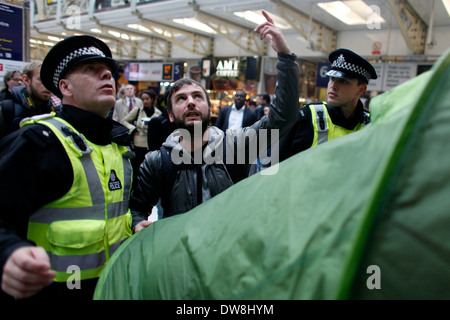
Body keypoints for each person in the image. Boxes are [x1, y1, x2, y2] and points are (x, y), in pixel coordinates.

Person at [130, 10, 299, 232]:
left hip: (227, 257)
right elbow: (137, 209)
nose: (190, 102)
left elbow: (283, 117)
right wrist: (137, 224)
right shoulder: (158, 162)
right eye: (181, 99)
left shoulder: (236, 145)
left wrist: (285, 57)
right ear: (170, 115)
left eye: (197, 96)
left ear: (209, 110)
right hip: (180, 259)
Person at [0, 35, 133, 300]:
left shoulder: (119, 147)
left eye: (109, 72)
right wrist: (9, 252)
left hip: (111, 289)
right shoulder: (40, 142)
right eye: (91, 70)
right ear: (65, 87)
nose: (107, 75)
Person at [279, 48, 377, 162]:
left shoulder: (371, 126)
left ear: (361, 89)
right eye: (332, 79)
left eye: (343, 81)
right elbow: (276, 167)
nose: (333, 86)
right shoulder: (306, 119)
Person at [3, 62, 62, 134]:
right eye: (41, 79)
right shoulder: (6, 108)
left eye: (52, 80)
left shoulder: (58, 110)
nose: (48, 85)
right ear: (26, 80)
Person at [122, 90, 162, 183]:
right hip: (139, 143)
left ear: (152, 99)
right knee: (137, 167)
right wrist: (133, 129)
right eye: (143, 99)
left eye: (147, 99)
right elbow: (124, 120)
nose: (145, 101)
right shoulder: (138, 110)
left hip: (152, 144)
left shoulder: (158, 113)